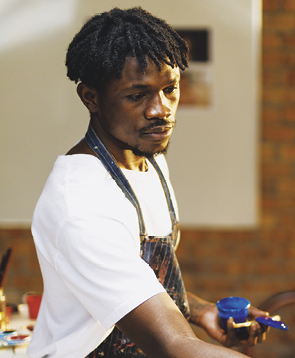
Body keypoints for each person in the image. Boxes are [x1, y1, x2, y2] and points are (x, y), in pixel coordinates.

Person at [28, 7, 268, 358]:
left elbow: (140, 280)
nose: (161, 109)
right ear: (90, 97)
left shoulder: (149, 161)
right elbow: (173, 346)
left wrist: (201, 310)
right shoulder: (81, 202)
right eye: (137, 95)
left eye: (170, 88)